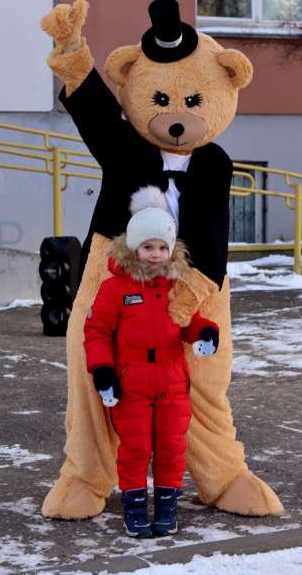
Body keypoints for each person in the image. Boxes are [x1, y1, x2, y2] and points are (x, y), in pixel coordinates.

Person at [84, 187, 219, 538]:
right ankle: (134, 504)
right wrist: (103, 370)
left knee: (172, 446)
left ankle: (167, 504)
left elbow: (190, 320)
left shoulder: (177, 286)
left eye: (162, 247)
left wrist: (206, 333)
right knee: (136, 447)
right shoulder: (115, 289)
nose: (156, 254)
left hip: (173, 380)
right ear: (133, 248)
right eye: (148, 247)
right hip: (132, 382)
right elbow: (97, 331)